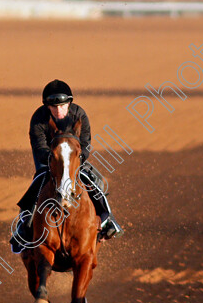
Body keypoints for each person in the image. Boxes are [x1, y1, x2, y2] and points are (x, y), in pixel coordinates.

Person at [10, 79, 123, 253]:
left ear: (69, 103)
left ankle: (108, 220)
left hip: (73, 159)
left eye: (62, 106)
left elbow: (85, 144)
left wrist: (73, 161)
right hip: (49, 160)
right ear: (47, 106)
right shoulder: (38, 118)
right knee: (38, 182)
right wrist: (56, 162)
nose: (58, 110)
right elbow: (40, 147)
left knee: (95, 180)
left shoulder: (79, 114)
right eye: (54, 107)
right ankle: (24, 226)